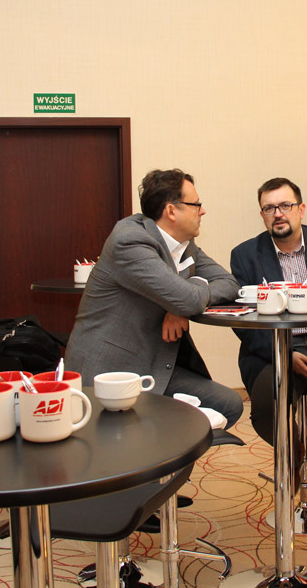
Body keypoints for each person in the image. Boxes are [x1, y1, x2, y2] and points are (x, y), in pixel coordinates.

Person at [66, 168, 243, 428]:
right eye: (196, 205)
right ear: (172, 211)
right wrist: (184, 299)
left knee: (228, 404)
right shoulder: (130, 241)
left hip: (156, 365)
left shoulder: (185, 244)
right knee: (138, 438)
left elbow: (230, 284)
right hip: (109, 373)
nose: (202, 211)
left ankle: (170, 452)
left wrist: (180, 305)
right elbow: (189, 299)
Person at [230, 177, 307, 450]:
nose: (278, 214)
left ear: (301, 209)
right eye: (269, 208)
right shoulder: (244, 255)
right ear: (262, 215)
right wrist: (284, 354)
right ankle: (294, 457)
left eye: (286, 205)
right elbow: (243, 321)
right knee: (268, 410)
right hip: (275, 349)